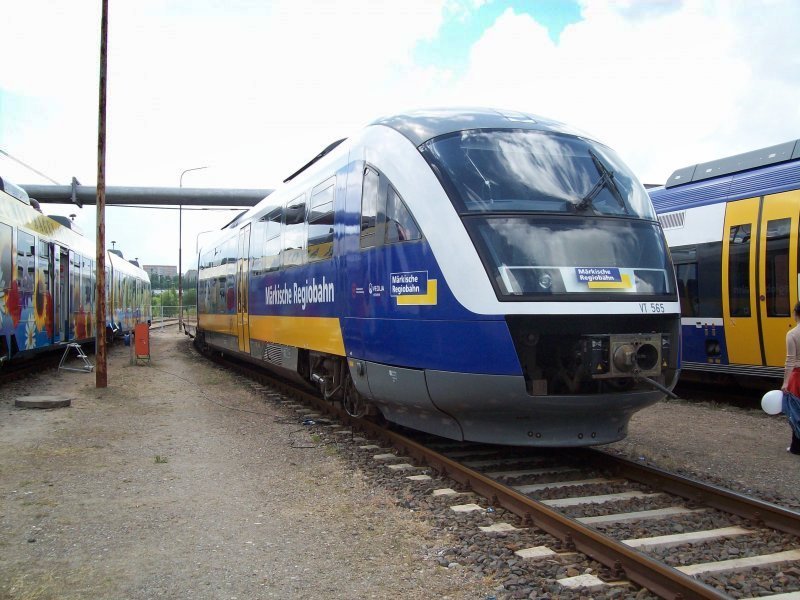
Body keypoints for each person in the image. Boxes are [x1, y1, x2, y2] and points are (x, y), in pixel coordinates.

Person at [780, 301, 800, 454]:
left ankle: (796, 447)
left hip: (797, 377)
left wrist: (785, 382)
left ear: (796, 314)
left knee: (796, 413)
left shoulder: (792, 334)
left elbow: (790, 360)